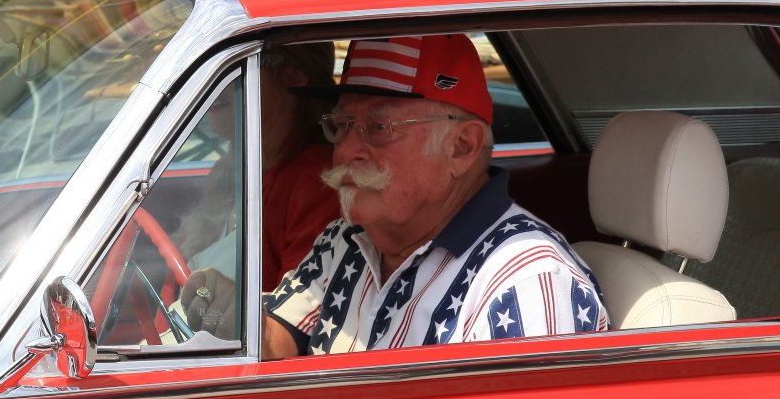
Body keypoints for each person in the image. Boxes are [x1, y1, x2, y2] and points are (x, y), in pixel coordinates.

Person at [254, 33, 607, 359]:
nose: (345, 151)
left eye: (379, 128)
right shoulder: (345, 240)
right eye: (342, 125)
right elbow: (274, 343)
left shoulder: (525, 284)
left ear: (462, 147)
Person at [174, 41, 342, 334]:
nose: (217, 78)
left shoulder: (318, 182)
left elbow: (289, 323)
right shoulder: (231, 168)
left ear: (294, 76)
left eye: (238, 63)